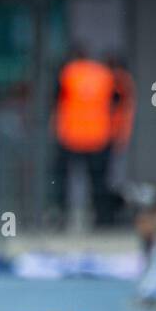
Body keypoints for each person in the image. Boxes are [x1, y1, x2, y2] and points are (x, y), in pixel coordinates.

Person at [52, 47, 116, 227]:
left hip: (70, 135)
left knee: (61, 179)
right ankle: (102, 219)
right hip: (99, 136)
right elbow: (116, 102)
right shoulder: (105, 74)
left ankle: (61, 219)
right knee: (98, 182)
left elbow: (56, 100)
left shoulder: (67, 73)